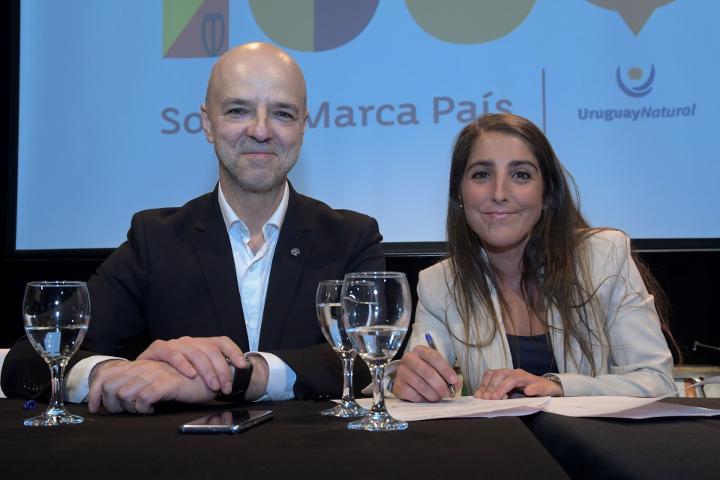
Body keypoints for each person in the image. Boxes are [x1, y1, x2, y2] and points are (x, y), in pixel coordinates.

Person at [1, 42, 384, 413]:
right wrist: (111, 371)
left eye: (283, 113)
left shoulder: (351, 238)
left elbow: (365, 362)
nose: (261, 130)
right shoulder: (155, 239)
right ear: (207, 123)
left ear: (304, 125)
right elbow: (27, 359)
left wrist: (240, 377)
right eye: (238, 110)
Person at [392, 113, 676, 402]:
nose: (499, 193)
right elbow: (419, 379)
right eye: (481, 174)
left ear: (547, 193)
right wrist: (407, 381)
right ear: (459, 193)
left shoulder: (606, 256)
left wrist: (558, 386)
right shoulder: (439, 284)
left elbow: (657, 381)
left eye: (521, 175)